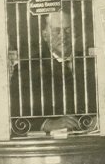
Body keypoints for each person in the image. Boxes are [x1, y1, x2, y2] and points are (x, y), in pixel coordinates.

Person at [9, 7, 97, 136]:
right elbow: (13, 115)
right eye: (57, 31)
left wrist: (100, 118)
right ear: (45, 35)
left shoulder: (92, 64)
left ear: (76, 33)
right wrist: (47, 124)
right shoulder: (26, 70)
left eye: (68, 30)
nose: (63, 36)